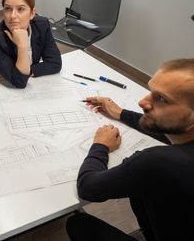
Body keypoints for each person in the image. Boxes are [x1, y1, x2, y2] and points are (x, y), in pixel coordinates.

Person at [66, 58, 194, 241]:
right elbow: (173, 129)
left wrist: (100, 146)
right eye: (150, 91)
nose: (142, 102)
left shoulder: (158, 162)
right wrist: (121, 113)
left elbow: (88, 188)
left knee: (79, 224)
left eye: (161, 98)